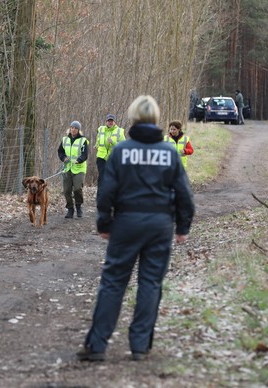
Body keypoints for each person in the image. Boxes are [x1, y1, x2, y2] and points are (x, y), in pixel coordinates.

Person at [77, 95, 195, 362]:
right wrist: (183, 226)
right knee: (151, 283)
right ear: (155, 119)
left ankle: (96, 345)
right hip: (160, 226)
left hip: (126, 224)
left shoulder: (121, 151)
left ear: (132, 118)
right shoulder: (168, 152)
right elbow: (184, 193)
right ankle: (140, 346)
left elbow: (106, 191)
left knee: (113, 282)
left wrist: (104, 222)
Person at [58, 121, 89, 218]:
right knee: (66, 190)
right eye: (72, 127)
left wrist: (79, 160)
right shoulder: (65, 139)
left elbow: (85, 154)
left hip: (79, 168)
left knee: (77, 189)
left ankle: (79, 207)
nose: (73, 129)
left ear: (78, 130)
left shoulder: (83, 141)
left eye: (75, 128)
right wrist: (63, 158)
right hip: (67, 168)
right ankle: (70, 209)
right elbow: (60, 151)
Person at [95, 114, 125, 191]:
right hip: (101, 156)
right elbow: (98, 140)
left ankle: (110, 192)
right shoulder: (101, 129)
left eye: (111, 121)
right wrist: (96, 145)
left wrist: (113, 142)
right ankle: (100, 193)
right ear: (106, 121)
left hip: (113, 157)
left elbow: (124, 146)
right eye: (109, 121)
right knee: (102, 175)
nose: (110, 122)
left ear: (114, 122)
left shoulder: (119, 131)